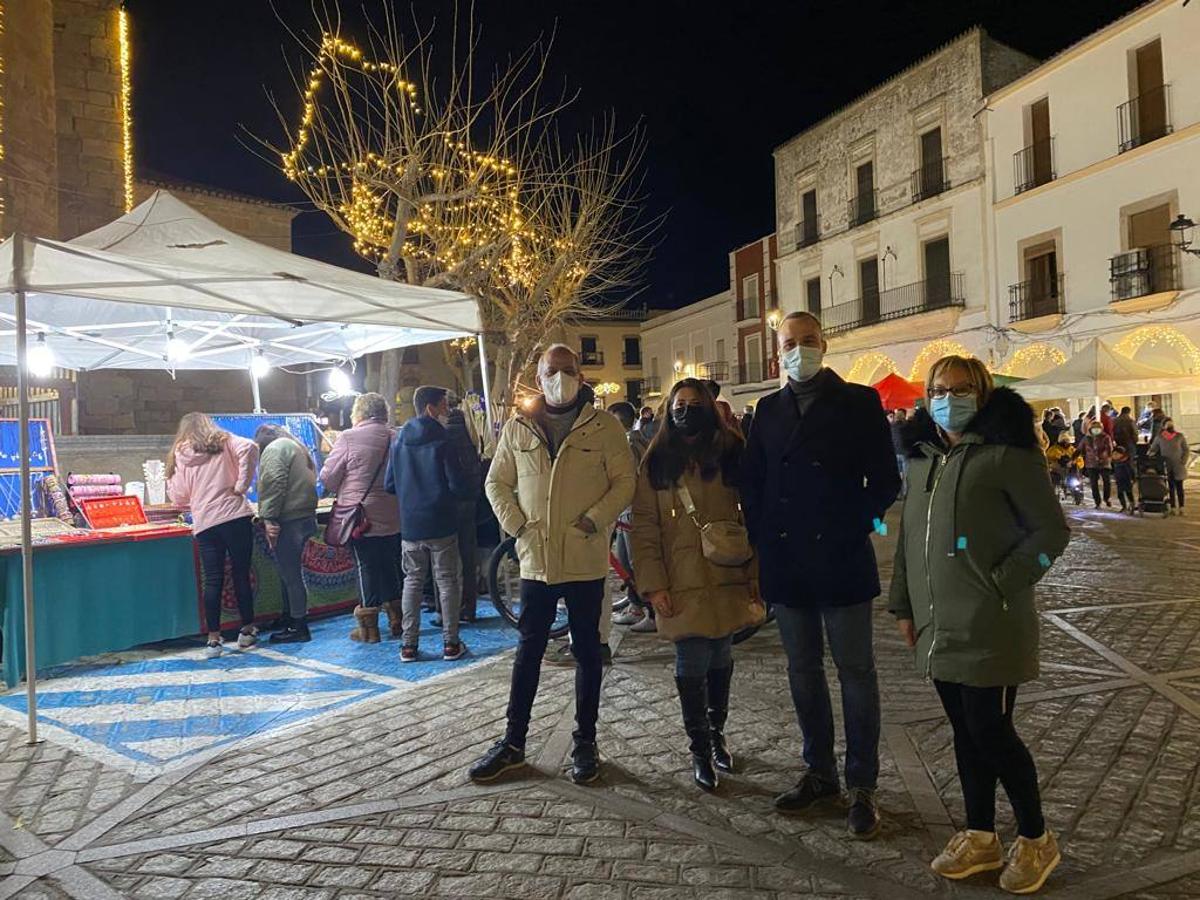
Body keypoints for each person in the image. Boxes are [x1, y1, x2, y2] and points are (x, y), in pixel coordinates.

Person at [890, 355, 1069, 894]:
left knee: (992, 731)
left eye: (962, 388)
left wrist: (1001, 582)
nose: (950, 397)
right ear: (926, 396)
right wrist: (904, 605)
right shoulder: (922, 460)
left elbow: (1050, 533)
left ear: (983, 393)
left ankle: (1037, 839)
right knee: (967, 734)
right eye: (940, 389)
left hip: (993, 623)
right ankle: (981, 834)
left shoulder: (1008, 456)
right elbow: (908, 541)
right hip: (937, 624)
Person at [741, 311, 900, 840]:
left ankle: (862, 785)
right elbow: (754, 485)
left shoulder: (859, 401)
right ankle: (819, 773)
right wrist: (764, 542)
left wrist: (855, 524)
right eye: (791, 343)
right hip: (788, 562)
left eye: (808, 341)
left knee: (856, 671)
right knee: (802, 670)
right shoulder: (765, 411)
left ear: (824, 344)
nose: (800, 350)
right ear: (777, 352)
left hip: (840, 556)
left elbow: (884, 480)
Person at [470, 344, 636, 785]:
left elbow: (625, 482)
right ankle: (513, 742)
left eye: (567, 370)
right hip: (536, 562)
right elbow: (496, 482)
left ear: (581, 376)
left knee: (588, 653)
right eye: (551, 371)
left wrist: (595, 520)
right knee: (528, 653)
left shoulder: (603, 427)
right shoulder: (519, 426)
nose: (559, 377)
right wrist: (518, 526)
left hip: (584, 559)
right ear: (538, 376)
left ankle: (585, 742)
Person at [630, 378, 763, 791]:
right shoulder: (656, 462)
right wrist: (652, 585)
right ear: (669, 410)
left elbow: (752, 518)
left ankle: (717, 731)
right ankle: (699, 748)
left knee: (721, 654)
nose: (685, 410)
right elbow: (645, 529)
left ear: (709, 406)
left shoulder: (732, 454)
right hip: (680, 579)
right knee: (691, 660)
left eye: (694, 403)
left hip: (727, 574)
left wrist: (755, 575)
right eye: (678, 404)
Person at [387, 385, 474, 662]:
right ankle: (451, 643)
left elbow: (389, 484)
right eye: (444, 405)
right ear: (431, 408)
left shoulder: (399, 441)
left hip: (410, 524)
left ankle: (408, 645)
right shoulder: (443, 438)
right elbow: (457, 483)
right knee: (447, 581)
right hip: (441, 521)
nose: (447, 411)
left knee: (411, 582)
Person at [167, 413, 260, 658]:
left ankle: (213, 640)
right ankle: (247, 630)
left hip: (205, 523)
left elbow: (178, 498)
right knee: (241, 573)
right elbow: (250, 447)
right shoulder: (225, 440)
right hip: (235, 517)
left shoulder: (180, 454)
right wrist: (241, 486)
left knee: (213, 580)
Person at [320, 392, 400, 643]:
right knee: (390, 565)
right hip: (393, 512)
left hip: (360, 516)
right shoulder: (395, 436)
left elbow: (328, 477)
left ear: (360, 413)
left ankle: (369, 628)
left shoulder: (348, 437)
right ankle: (397, 619)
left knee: (365, 565)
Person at [254, 425, 319, 643]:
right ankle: (291, 616)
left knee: (291, 575)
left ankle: (298, 626)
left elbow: (274, 482)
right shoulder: (298, 447)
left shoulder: (275, 449)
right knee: (290, 573)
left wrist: (267, 517)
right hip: (305, 516)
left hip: (289, 519)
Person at [608, 401, 651, 630]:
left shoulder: (630, 443)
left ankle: (652, 612)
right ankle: (636, 606)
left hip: (632, 510)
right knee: (625, 562)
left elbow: (628, 478)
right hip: (624, 511)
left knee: (636, 563)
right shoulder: (630, 440)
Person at [445, 393, 483, 623]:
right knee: (468, 555)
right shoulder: (471, 434)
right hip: (471, 500)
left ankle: (452, 609)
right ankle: (470, 606)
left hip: (452, 502)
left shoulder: (445, 436)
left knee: (449, 559)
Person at [1150, 418, 1190, 515]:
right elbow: (1153, 449)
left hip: (1178, 465)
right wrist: (1150, 455)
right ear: (1163, 426)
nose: (1170, 426)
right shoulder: (1159, 437)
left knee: (1179, 487)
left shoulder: (1179, 436)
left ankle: (1181, 507)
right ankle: (1172, 507)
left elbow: (1186, 449)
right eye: (1168, 424)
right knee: (1170, 487)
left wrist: (1183, 461)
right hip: (1166, 466)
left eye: (1171, 424)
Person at [1080, 419, 1114, 509]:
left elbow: (1109, 449)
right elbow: (1080, 449)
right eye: (1094, 428)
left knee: (1107, 482)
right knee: (1093, 484)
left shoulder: (1105, 437)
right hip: (1091, 464)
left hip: (1104, 463)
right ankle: (1097, 502)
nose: (1096, 430)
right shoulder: (1086, 438)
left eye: (1098, 428)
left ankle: (1106, 498)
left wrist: (1106, 457)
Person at [1112, 445, 1136, 513]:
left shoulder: (1126, 463)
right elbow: (1115, 471)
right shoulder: (1116, 462)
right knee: (1120, 494)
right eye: (1114, 454)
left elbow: (1131, 471)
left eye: (1116, 454)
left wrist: (1132, 479)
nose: (1114, 455)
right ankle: (1124, 506)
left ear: (1121, 454)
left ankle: (1132, 505)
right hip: (1119, 480)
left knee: (1129, 493)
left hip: (1127, 480)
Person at [891, 408, 909, 498]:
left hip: (895, 453)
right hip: (905, 453)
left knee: (896, 476)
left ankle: (897, 493)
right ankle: (905, 493)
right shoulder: (907, 426)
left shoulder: (891, 426)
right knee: (906, 476)